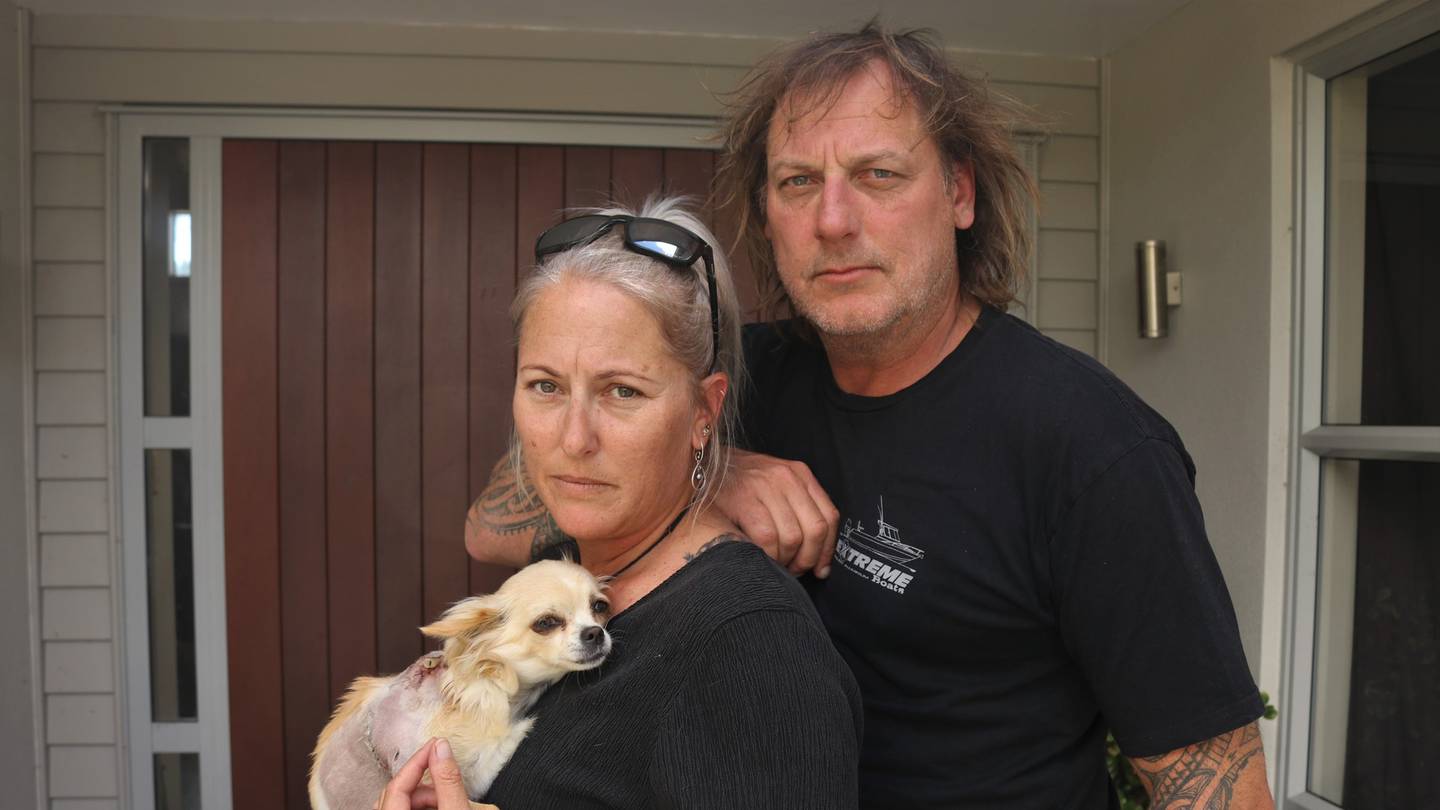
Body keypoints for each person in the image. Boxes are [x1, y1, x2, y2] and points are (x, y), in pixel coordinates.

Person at [468, 24, 1273, 810]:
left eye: (878, 175)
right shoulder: (740, 382)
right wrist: (712, 473)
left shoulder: (1091, 446)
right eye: (798, 183)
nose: (833, 220)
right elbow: (492, 523)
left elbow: (1214, 787)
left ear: (959, 192)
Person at [407, 197, 861, 808]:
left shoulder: (749, 649)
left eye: (622, 391)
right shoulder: (579, 569)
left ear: (705, 412)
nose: (573, 440)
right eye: (545, 386)